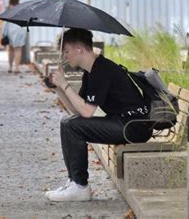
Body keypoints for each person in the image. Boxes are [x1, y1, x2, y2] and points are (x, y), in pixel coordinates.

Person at [46, 28, 152, 202]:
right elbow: (77, 110)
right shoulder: (91, 70)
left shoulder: (101, 70)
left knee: (72, 126)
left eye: (66, 51)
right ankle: (74, 182)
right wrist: (58, 88)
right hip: (122, 122)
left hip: (133, 127)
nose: (65, 57)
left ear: (79, 49)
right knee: (67, 122)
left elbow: (87, 112)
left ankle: (80, 187)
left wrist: (65, 84)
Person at [1, 0, 27, 73]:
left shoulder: (8, 9)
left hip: (10, 31)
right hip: (19, 30)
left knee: (11, 49)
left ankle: (10, 67)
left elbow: (5, 22)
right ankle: (17, 68)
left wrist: (3, 33)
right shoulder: (22, 8)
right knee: (18, 49)